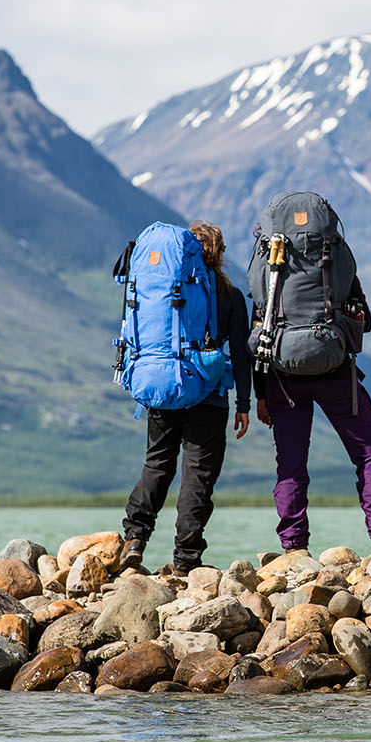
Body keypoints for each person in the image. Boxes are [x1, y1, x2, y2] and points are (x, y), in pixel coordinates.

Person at [119, 221, 251, 575]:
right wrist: (244, 404)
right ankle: (186, 560)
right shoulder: (230, 296)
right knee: (197, 477)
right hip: (207, 396)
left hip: (162, 388)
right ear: (219, 254)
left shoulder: (163, 288)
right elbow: (241, 353)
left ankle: (134, 538)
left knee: (157, 465)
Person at [254, 273, 371, 555]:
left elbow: (258, 334)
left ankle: (295, 549)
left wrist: (260, 395)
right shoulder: (333, 255)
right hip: (335, 372)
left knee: (291, 464)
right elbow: (366, 321)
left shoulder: (270, 262)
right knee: (369, 452)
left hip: (282, 377)